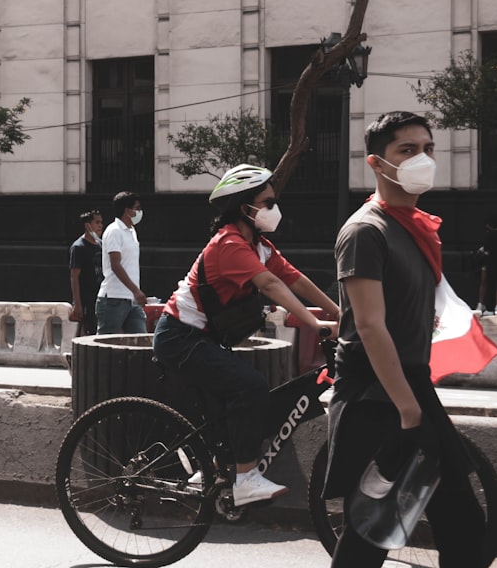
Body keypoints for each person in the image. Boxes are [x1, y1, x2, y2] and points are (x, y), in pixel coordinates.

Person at [324, 112, 490, 567]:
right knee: (378, 529)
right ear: (377, 163)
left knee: (449, 523)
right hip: (378, 394)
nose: (424, 158)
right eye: (408, 150)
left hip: (407, 385)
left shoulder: (410, 227)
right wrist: (408, 407)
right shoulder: (365, 232)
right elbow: (371, 327)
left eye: (428, 148)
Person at [153, 164, 338, 507]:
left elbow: (295, 279)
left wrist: (339, 313)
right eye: (267, 203)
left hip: (201, 337)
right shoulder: (229, 244)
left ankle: (211, 468)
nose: (274, 209)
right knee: (249, 386)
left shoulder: (259, 246)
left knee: (237, 399)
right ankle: (246, 478)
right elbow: (269, 284)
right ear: (245, 208)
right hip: (179, 337)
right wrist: (314, 325)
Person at [95, 191, 148, 334]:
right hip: (113, 298)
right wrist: (136, 290)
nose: (139, 212)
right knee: (105, 343)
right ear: (127, 210)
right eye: (137, 208)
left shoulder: (131, 231)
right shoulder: (114, 231)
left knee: (139, 340)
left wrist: (135, 292)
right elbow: (115, 265)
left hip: (131, 299)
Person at [69, 209, 104, 336]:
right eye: (97, 222)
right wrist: (77, 303)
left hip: (100, 297)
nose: (100, 226)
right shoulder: (79, 247)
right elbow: (74, 276)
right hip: (86, 299)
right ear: (88, 225)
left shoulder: (101, 244)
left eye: (101, 222)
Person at [482, 214, 497, 316]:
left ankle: (490, 308)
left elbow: (486, 249)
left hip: (492, 263)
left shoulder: (490, 235)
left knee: (491, 285)